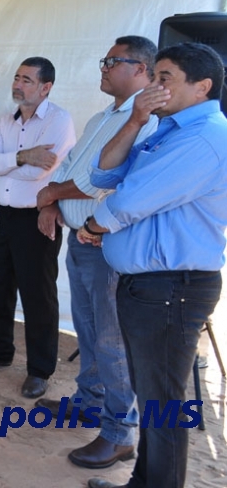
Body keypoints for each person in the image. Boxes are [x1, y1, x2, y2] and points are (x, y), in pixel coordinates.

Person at [80, 43, 227, 488]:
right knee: (155, 399)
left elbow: (130, 201)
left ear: (202, 87)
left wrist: (94, 225)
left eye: (166, 78)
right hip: (152, 286)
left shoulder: (205, 137)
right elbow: (104, 174)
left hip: (171, 287)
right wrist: (136, 120)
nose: (154, 86)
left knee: (163, 405)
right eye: (155, 75)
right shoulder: (167, 130)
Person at [34, 37, 158, 470]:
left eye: (113, 61)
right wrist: (51, 198)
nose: (103, 68)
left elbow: (109, 181)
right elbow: (69, 168)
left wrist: (53, 192)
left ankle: (119, 434)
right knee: (87, 332)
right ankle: (89, 402)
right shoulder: (102, 116)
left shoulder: (147, 121)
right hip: (79, 240)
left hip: (107, 244)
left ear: (142, 68)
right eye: (104, 61)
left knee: (110, 340)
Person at [0, 57, 75, 399]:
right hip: (4, 213)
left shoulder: (59, 120)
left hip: (36, 215)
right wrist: (23, 156)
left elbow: (40, 173)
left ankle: (40, 370)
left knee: (37, 294)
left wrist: (11, 162)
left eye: (27, 79)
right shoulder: (5, 119)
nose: (18, 84)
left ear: (46, 87)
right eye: (16, 77)